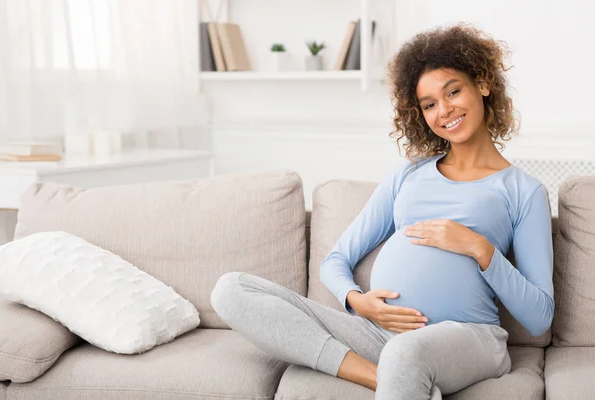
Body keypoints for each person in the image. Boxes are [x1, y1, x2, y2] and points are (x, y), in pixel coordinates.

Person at [210, 23, 554, 400]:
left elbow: (539, 317)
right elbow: (336, 260)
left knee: (405, 354)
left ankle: (400, 371)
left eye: (453, 91)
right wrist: (359, 302)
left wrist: (480, 249)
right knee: (232, 290)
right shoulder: (407, 175)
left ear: (483, 84)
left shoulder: (524, 192)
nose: (445, 111)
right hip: (380, 335)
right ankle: (380, 376)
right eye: (430, 104)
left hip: (470, 336)